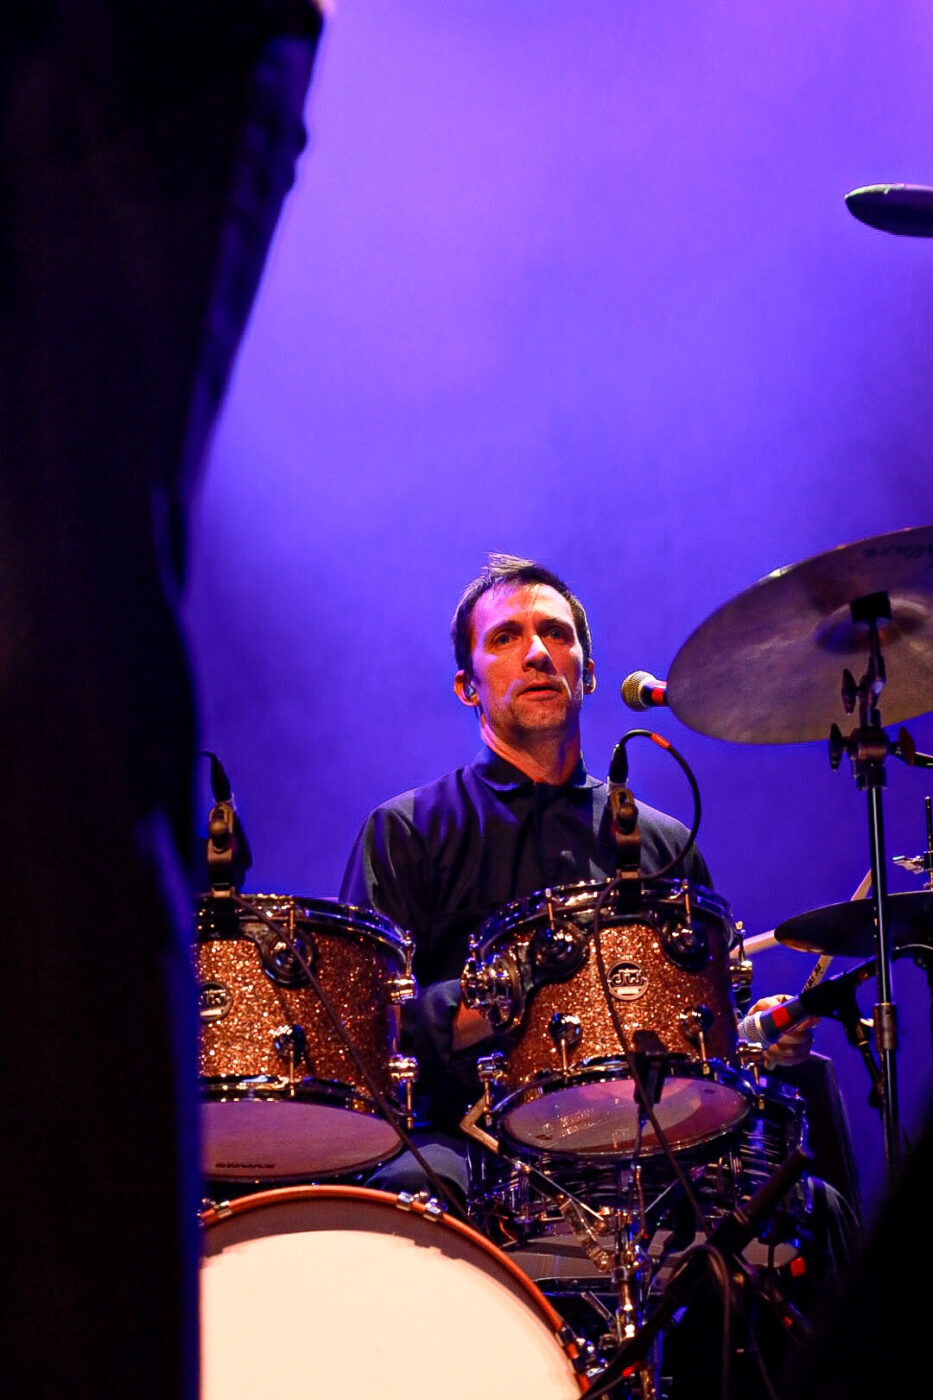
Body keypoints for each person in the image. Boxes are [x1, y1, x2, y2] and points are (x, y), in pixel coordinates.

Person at [341, 553, 744, 1198]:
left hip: (649, 1138)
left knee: (809, 1202)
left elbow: (713, 1020)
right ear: (467, 686)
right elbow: (364, 1026)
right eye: (506, 637)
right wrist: (508, 987)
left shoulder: (666, 843)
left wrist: (756, 1029)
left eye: (556, 634)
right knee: (410, 1193)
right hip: (469, 1141)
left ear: (588, 674)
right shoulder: (407, 831)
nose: (537, 654)